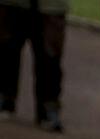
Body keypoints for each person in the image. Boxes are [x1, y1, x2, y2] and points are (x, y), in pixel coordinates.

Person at [0, 0, 65, 132]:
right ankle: (5, 98)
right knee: (7, 47)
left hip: (50, 7)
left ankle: (48, 107)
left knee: (50, 55)